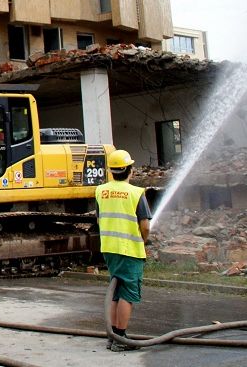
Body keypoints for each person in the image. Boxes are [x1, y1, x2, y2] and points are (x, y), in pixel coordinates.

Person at [95, 149, 152, 352]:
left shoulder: (101, 191)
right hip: (129, 250)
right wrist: (143, 241)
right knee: (127, 294)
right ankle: (120, 338)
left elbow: (100, 219)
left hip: (109, 248)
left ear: (111, 171)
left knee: (116, 292)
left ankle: (113, 336)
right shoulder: (136, 193)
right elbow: (144, 226)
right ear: (130, 170)